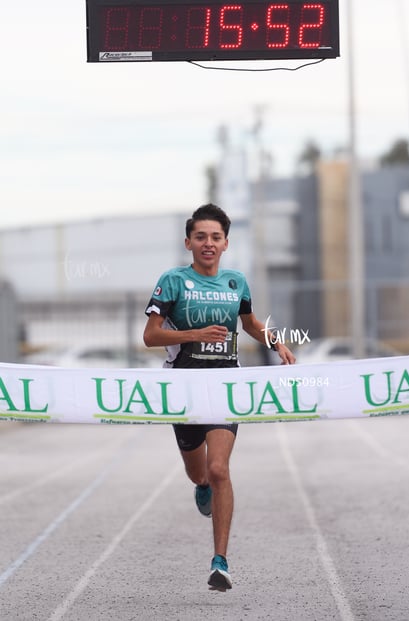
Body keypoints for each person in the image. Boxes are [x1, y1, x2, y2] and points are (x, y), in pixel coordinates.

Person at [143, 203, 295, 592]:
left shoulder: (236, 282)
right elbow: (151, 335)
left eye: (215, 237)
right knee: (199, 474)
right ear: (188, 242)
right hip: (184, 387)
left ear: (226, 243)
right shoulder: (173, 281)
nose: (208, 243)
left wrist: (276, 342)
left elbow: (248, 325)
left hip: (226, 384)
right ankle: (201, 487)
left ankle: (220, 562)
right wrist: (193, 335)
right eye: (200, 237)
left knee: (220, 469)